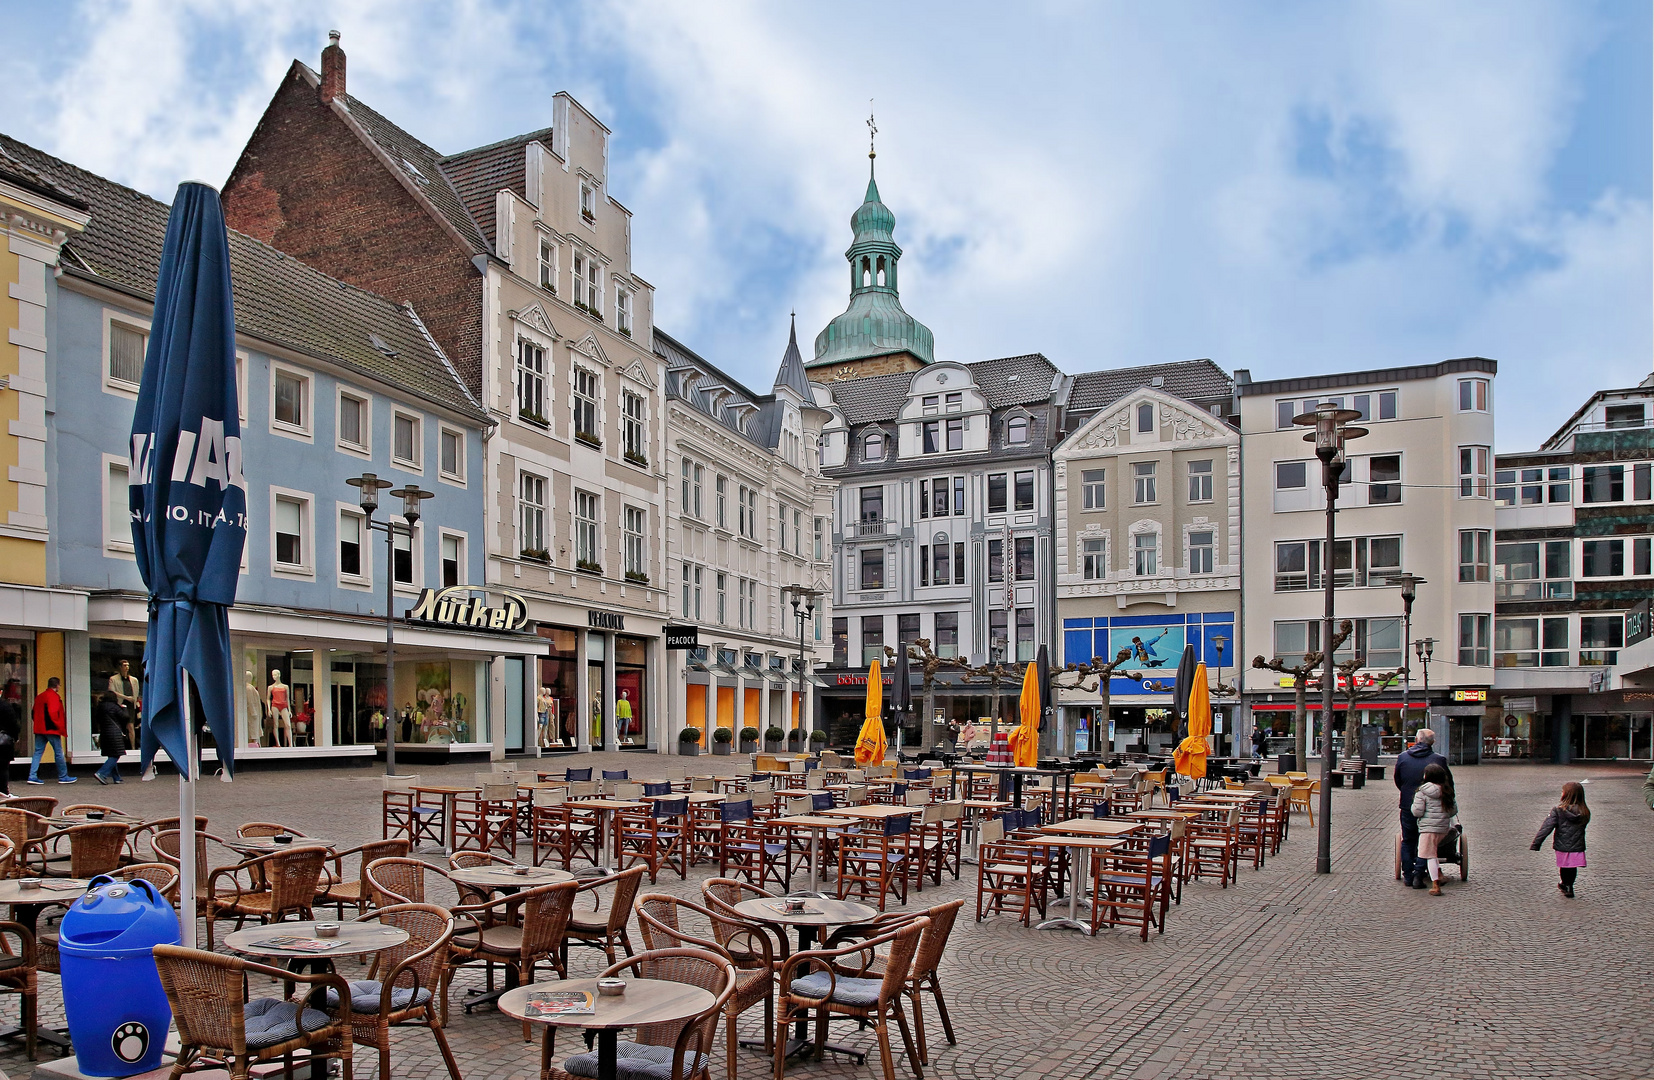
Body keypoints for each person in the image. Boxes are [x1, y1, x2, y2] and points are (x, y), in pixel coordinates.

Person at [1393, 728, 1449, 889]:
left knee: (1408, 840)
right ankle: (1420, 872)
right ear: (1432, 742)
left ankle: (1408, 875)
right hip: (1434, 808)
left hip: (1408, 805)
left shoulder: (1403, 758)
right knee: (1428, 841)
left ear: (1416, 740)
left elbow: (1398, 780)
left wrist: (1408, 793)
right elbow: (1447, 784)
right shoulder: (1439, 760)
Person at [1531, 781, 1590, 898]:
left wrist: (1536, 843)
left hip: (1562, 844)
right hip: (1577, 843)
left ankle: (1565, 884)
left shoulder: (1558, 810)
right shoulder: (1584, 812)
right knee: (1572, 866)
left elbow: (1546, 827)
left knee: (1564, 866)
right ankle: (1569, 885)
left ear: (1566, 794)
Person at [1410, 762, 1457, 896]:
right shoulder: (1446, 790)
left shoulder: (1422, 792)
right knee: (1433, 853)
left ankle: (1436, 884)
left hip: (1428, 829)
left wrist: (1413, 808)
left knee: (1429, 856)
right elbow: (1453, 811)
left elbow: (1417, 812)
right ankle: (1438, 875)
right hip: (1443, 829)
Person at [28, 676, 75, 785]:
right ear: (57, 685)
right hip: (51, 729)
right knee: (58, 752)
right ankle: (63, 776)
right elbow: (53, 713)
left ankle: (32, 775)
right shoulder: (53, 697)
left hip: (40, 728)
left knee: (38, 752)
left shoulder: (40, 696)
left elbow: (33, 712)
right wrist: (59, 727)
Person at [94, 690, 128, 785]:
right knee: (116, 755)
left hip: (104, 733)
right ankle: (101, 773)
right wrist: (124, 708)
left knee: (111, 754)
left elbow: (97, 719)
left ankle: (116, 778)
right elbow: (125, 717)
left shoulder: (100, 706)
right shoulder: (114, 706)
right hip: (114, 733)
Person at [109, 659, 141, 748]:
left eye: (128, 665)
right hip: (119, 704)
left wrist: (134, 700)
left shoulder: (134, 680)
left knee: (131, 726)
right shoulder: (113, 679)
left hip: (130, 705)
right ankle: (119, 746)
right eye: (124, 665)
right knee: (119, 726)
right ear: (120, 667)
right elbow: (112, 691)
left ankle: (133, 747)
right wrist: (126, 697)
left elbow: (136, 692)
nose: (127, 667)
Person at [0, 680, 22, 795]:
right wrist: (15, 737)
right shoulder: (5, 706)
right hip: (3, 743)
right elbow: (13, 724)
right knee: (3, 768)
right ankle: (3, 792)